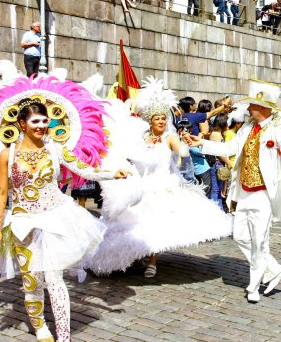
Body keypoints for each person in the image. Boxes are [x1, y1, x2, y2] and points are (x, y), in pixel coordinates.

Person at [0, 84, 130, 341]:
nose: (42, 125)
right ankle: (40, 326)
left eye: (45, 120)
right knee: (31, 282)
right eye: (35, 120)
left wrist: (112, 173)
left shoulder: (56, 148)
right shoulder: (6, 156)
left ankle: (64, 337)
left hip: (56, 219)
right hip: (23, 224)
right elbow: (0, 193)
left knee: (55, 280)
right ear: (22, 123)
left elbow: (85, 169)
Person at [86, 78, 233, 278]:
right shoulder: (142, 139)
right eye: (157, 119)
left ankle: (152, 261)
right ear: (150, 121)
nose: (162, 122)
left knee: (154, 222)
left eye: (164, 118)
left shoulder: (169, 138)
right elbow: (131, 155)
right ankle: (139, 253)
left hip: (162, 185)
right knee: (136, 223)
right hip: (141, 186)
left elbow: (180, 151)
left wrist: (184, 144)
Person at [187, 80, 281, 303]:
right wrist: (201, 143)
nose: (248, 109)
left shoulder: (278, 129)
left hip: (264, 194)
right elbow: (229, 148)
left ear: (263, 109)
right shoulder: (246, 129)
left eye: (252, 106)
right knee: (239, 236)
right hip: (244, 191)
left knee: (259, 241)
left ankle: (254, 286)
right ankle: (274, 269)